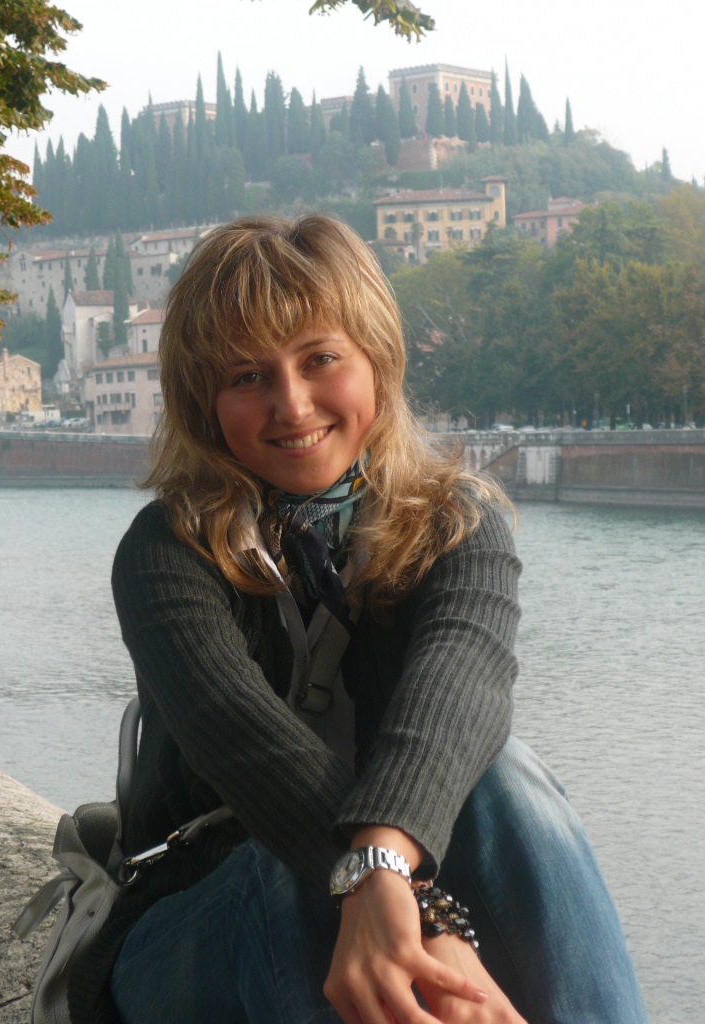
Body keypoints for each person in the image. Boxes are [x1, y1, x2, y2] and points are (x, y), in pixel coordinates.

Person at [69, 214, 648, 1024]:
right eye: (247, 376)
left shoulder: (456, 526)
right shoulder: (166, 553)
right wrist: (418, 909)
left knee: (509, 781)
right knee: (290, 880)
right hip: (187, 931)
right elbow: (254, 755)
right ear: (204, 404)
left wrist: (400, 893)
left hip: (402, 894)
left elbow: (456, 699)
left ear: (376, 359)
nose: (291, 404)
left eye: (320, 359)